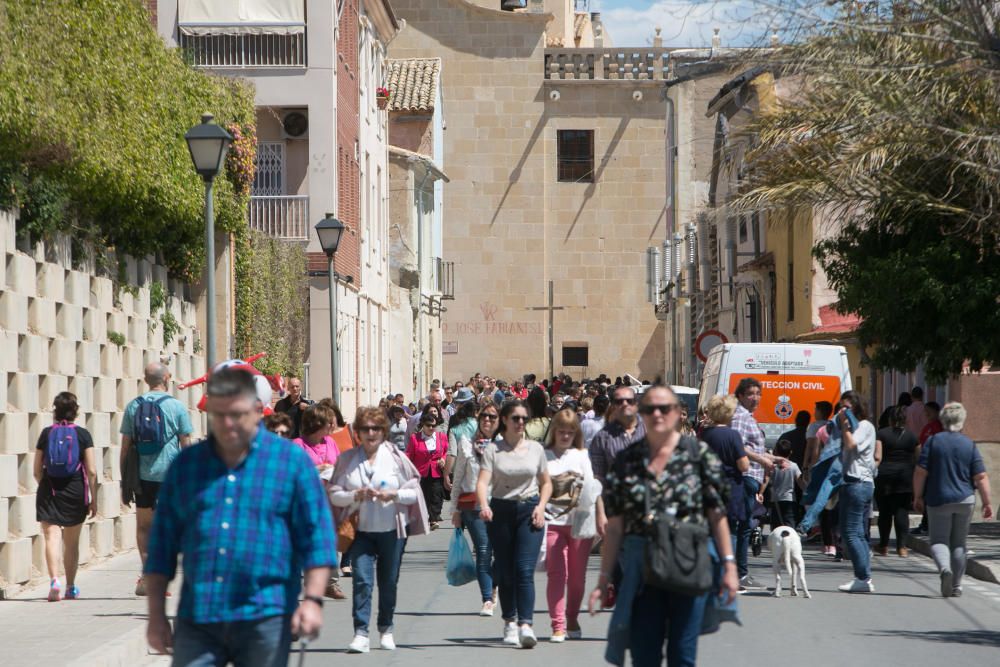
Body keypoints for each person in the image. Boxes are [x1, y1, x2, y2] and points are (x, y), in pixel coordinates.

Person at [144, 368, 337, 664]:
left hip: (265, 616)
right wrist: (156, 614)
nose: (228, 424)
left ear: (259, 411)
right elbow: (161, 546)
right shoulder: (188, 467)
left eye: (237, 414)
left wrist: (311, 600)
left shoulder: (290, 464)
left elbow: (317, 538)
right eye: (218, 415)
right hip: (200, 617)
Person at [588, 386, 738, 666]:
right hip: (642, 572)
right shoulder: (627, 461)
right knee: (644, 655)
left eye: (664, 408)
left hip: (689, 566)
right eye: (650, 408)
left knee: (683, 655)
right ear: (642, 413)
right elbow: (617, 525)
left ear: (679, 414)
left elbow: (717, 515)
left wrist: (729, 565)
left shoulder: (699, 455)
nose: (657, 414)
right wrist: (604, 577)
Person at [330, 406, 429, 653]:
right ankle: (361, 633)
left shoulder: (395, 457)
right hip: (361, 532)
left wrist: (393, 494)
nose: (371, 433)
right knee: (362, 581)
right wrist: (355, 494)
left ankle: (386, 628)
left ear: (383, 431)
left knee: (388, 582)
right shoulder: (348, 460)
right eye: (365, 429)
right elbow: (334, 494)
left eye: (376, 428)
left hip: (392, 531)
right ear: (358, 433)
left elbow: (413, 491)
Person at [477, 399, 552, 649]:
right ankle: (509, 620)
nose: (521, 423)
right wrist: (484, 505)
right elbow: (482, 481)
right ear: (505, 421)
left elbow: (546, 482)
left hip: (529, 511)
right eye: (516, 418)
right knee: (506, 571)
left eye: (524, 418)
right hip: (501, 510)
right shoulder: (493, 450)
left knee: (524, 569)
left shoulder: (535, 449)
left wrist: (541, 506)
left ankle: (526, 625)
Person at [121, 362, 193, 596]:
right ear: (168, 377)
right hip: (170, 475)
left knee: (143, 527)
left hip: (142, 476)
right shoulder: (177, 406)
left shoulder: (134, 406)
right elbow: (185, 443)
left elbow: (125, 447)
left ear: (145, 379)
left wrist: (125, 478)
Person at [913, 402, 993, 598]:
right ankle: (956, 586)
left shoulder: (933, 441)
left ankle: (944, 570)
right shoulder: (968, 443)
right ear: (962, 420)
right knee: (959, 543)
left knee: (939, 541)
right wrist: (987, 502)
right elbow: (981, 476)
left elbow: (921, 471)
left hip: (938, 498)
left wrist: (917, 496)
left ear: (943, 419)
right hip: (965, 499)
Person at [543, 409, 602, 643]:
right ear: (554, 431)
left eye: (570, 432)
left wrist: (600, 517)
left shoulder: (582, 456)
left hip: (580, 524)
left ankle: (572, 617)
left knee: (577, 579)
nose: (565, 436)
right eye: (561, 431)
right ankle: (557, 625)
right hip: (551, 523)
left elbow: (592, 488)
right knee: (557, 575)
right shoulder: (543, 455)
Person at [34, 392, 98, 601]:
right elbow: (92, 471)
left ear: (55, 410)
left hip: (49, 490)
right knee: (72, 543)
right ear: (76, 412)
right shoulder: (82, 434)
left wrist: (44, 485)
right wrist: (92, 498)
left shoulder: (45, 434)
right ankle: (70, 587)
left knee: (51, 537)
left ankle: (54, 581)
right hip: (75, 491)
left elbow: (36, 470)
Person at [729, 377, 783, 590]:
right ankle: (737, 574)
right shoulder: (740, 417)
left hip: (752, 477)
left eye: (758, 394)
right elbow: (739, 447)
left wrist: (775, 459)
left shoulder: (748, 417)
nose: (755, 398)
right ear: (740, 396)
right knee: (741, 527)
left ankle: (740, 574)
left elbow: (753, 448)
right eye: (750, 394)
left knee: (744, 527)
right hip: (745, 477)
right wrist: (763, 460)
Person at [450, 403, 501, 616]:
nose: (487, 420)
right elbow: (459, 478)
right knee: (483, 550)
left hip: (500, 507)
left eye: (492, 417)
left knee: (501, 554)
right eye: (484, 416)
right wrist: (454, 510)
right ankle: (487, 598)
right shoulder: (465, 444)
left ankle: (494, 583)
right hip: (473, 507)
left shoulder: (504, 446)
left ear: (499, 421)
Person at [835, 390, 877, 593]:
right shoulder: (857, 427)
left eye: (847, 407)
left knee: (850, 533)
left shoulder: (864, 426)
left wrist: (844, 427)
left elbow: (851, 444)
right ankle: (863, 576)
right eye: (841, 407)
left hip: (857, 483)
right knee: (856, 532)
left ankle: (863, 577)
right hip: (854, 483)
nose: (842, 411)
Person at [700, 395, 750, 562]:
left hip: (708, 486)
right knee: (730, 530)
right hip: (731, 487)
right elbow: (743, 465)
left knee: (711, 529)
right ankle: (728, 565)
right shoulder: (732, 435)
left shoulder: (705, 434)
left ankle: (712, 565)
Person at [874, 405, 919, 557]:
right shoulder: (913, 437)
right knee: (902, 512)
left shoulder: (881, 434)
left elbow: (877, 456)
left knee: (885, 513)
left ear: (890, 419)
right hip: (905, 477)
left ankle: (884, 545)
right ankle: (902, 547)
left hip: (884, 476)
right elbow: (918, 458)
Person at [589, 386, 646, 488]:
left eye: (630, 401)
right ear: (613, 406)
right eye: (619, 401)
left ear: (636, 404)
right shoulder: (602, 438)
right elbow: (598, 478)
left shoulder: (651, 431)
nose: (625, 404)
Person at [407, 411, 449, 529]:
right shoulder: (415, 438)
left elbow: (447, 451)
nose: (431, 428)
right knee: (424, 496)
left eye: (433, 426)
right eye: (428, 425)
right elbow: (409, 454)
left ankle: (434, 519)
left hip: (436, 471)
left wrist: (444, 459)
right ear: (423, 425)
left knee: (436, 495)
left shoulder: (441, 437)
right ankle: (426, 518)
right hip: (421, 472)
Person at [770, 440, 803, 527]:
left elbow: (767, 480)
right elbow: (799, 481)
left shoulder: (773, 466)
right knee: (790, 525)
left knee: (776, 526)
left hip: (775, 500)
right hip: (790, 499)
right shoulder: (793, 466)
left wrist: (761, 492)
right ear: (791, 452)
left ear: (776, 452)